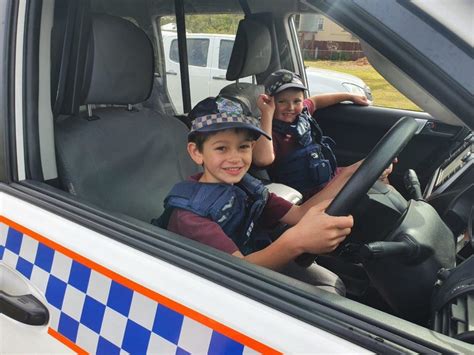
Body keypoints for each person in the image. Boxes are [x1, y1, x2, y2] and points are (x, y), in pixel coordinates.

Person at [154, 96, 354, 295]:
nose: (235, 158)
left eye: (243, 147)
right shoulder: (191, 216)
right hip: (217, 286)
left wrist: (348, 175)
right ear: (197, 152)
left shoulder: (244, 186)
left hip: (251, 263)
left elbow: (299, 214)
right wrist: (296, 241)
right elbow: (238, 270)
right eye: (221, 148)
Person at [253, 69, 393, 201]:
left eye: (297, 101)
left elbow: (316, 101)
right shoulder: (269, 131)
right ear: (269, 102)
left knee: (378, 177)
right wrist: (266, 113)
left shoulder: (303, 114)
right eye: (282, 101)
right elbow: (263, 160)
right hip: (308, 195)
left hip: (328, 177)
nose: (290, 107)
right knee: (367, 176)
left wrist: (350, 96)